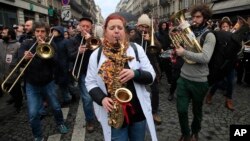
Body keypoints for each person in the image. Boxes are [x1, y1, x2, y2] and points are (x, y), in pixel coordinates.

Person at [85, 13, 158, 141]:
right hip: (113, 112)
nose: (116, 31)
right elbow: (90, 83)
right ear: (105, 31)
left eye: (119, 28)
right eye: (112, 28)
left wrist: (135, 73)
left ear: (125, 31)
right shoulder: (96, 55)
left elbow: (151, 75)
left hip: (138, 110)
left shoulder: (137, 49)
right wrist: (101, 99)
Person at [17, 22, 69, 141]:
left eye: (42, 31)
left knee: (56, 106)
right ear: (34, 32)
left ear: (46, 33)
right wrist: (23, 58)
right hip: (32, 84)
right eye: (37, 31)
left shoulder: (52, 45)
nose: (40, 34)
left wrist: (47, 51)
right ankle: (38, 136)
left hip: (48, 82)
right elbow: (18, 58)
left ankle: (60, 123)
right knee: (33, 114)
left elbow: (56, 63)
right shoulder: (26, 43)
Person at [174, 4, 216, 141]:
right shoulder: (189, 32)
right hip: (183, 78)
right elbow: (180, 47)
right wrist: (177, 39)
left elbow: (205, 58)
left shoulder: (209, 36)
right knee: (181, 110)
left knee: (197, 111)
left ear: (205, 18)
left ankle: (195, 131)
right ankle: (185, 134)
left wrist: (184, 52)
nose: (195, 19)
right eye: (193, 17)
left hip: (199, 81)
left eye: (198, 17)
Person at [131, 13, 162, 125]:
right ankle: (138, 108)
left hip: (151, 66)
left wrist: (150, 40)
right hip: (137, 67)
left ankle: (154, 111)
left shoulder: (152, 35)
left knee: (155, 90)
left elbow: (159, 49)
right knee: (137, 89)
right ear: (138, 26)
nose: (143, 29)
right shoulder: (133, 37)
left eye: (146, 27)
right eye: (141, 26)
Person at [69, 17, 96, 133]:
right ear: (79, 27)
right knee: (87, 98)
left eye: (87, 26)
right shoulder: (73, 40)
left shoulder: (95, 39)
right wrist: (78, 52)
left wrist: (90, 41)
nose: (85, 28)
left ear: (91, 28)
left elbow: (102, 53)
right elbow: (69, 56)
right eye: (83, 26)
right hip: (84, 73)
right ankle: (90, 120)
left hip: (97, 72)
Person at [205, 17, 236, 111]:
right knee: (217, 82)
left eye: (227, 26)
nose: (225, 28)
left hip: (230, 63)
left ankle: (228, 100)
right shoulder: (216, 35)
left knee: (231, 82)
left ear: (230, 27)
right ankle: (210, 95)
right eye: (223, 26)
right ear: (220, 27)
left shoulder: (233, 36)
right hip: (220, 64)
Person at [0, 27, 23, 112]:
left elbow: (21, 59)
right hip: (3, 72)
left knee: (16, 90)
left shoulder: (18, 45)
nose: (1, 34)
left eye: (3, 33)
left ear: (9, 35)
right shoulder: (1, 43)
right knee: (6, 88)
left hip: (13, 72)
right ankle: (13, 98)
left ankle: (18, 104)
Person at [51, 26, 73, 106]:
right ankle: (65, 97)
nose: (53, 33)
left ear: (59, 32)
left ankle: (67, 99)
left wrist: (70, 66)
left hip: (64, 66)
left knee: (64, 84)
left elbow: (70, 54)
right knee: (58, 84)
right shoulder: (51, 41)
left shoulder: (66, 41)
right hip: (55, 67)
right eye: (52, 31)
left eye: (55, 31)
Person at [156, 21, 174, 100]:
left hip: (168, 50)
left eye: (165, 25)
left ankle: (169, 80)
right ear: (160, 26)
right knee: (160, 66)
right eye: (162, 25)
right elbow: (157, 42)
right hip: (161, 51)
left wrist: (171, 45)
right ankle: (159, 77)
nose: (164, 26)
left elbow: (170, 41)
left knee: (167, 66)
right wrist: (160, 48)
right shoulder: (157, 33)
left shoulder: (167, 32)